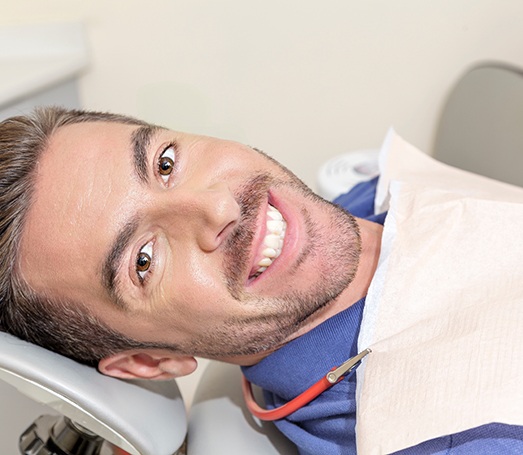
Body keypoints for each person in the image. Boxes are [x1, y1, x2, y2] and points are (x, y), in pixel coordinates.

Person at [0, 107, 521, 454]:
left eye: (165, 163)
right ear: (150, 361)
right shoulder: (463, 435)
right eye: (144, 260)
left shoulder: (364, 198)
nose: (217, 205)